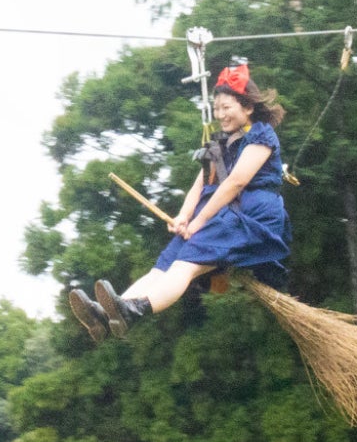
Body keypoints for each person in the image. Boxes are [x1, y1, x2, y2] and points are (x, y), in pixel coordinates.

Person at [69, 62, 291, 342]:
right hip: (219, 213)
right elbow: (201, 184)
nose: (220, 114)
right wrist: (185, 216)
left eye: (226, 107)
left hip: (249, 216)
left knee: (185, 265)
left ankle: (135, 309)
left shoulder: (261, 135)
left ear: (247, 107)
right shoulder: (220, 143)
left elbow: (235, 182)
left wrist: (199, 221)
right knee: (163, 266)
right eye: (217, 108)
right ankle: (108, 313)